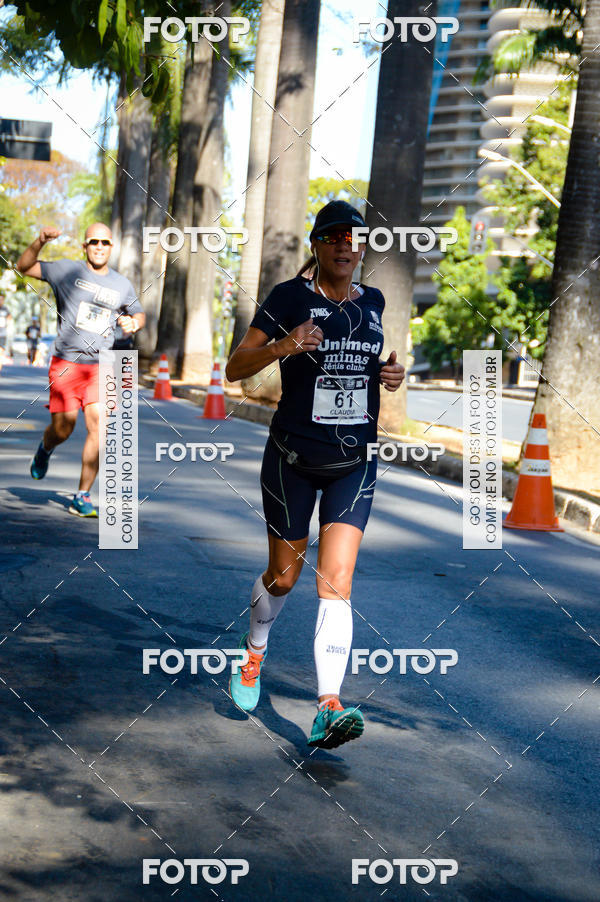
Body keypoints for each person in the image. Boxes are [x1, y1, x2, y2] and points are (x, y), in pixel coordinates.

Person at [225, 200, 404, 749]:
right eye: (335, 238)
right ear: (318, 244)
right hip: (293, 459)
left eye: (355, 239)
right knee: (284, 577)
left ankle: (328, 706)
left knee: (338, 581)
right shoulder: (288, 297)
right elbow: (235, 367)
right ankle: (255, 651)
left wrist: (388, 374)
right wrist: (284, 345)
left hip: (354, 461)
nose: (346, 246)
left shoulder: (371, 302)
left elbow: (366, 365)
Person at [16, 224, 145, 517]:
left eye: (105, 242)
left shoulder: (121, 284)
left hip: (101, 364)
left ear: (111, 247)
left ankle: (82, 495)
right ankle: (46, 447)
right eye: (94, 242)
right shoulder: (66, 271)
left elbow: (138, 311)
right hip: (66, 364)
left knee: (101, 426)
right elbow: (24, 267)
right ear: (85, 246)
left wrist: (134, 322)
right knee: (64, 428)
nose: (99, 246)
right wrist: (40, 240)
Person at [0, 293, 13, 373]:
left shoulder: (5, 309)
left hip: (2, 334)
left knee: (0, 351)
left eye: (1, 299)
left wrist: (7, 324)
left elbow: (9, 317)